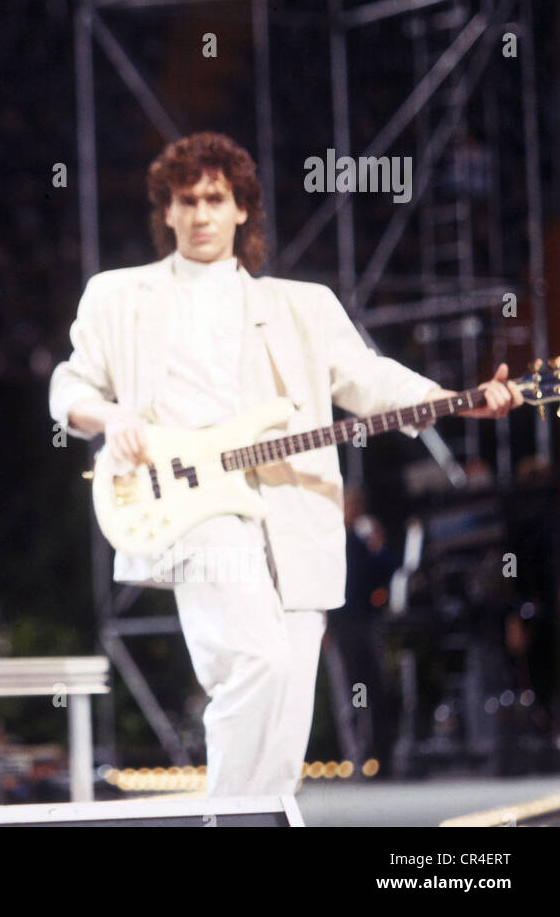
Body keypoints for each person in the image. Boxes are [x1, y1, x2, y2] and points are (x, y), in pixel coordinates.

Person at [49, 132, 522, 798]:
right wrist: (113, 418)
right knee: (257, 661)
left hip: (295, 514)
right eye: (187, 200)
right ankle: (229, 821)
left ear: (243, 207)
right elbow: (70, 386)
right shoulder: (119, 296)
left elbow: (367, 377)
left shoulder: (302, 304)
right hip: (188, 506)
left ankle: (254, 816)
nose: (202, 213)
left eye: (216, 197)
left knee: (290, 698)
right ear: (168, 211)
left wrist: (447, 400)